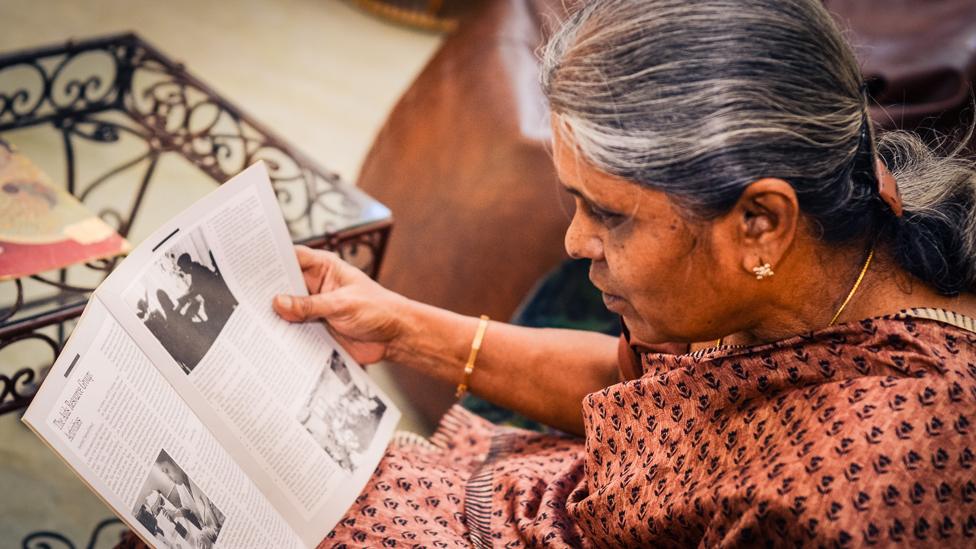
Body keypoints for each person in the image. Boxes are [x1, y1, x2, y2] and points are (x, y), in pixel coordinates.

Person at [269, 0, 976, 546]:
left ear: (760, 220)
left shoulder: (853, 504)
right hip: (517, 494)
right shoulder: (826, 247)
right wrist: (403, 326)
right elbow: (635, 385)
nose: (576, 241)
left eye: (608, 214)